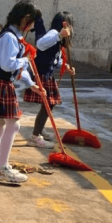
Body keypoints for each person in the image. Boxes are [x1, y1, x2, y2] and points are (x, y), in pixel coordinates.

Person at [0, 0, 45, 184]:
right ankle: (2, 167)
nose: (32, 27)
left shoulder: (12, 36)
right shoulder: (9, 37)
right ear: (26, 18)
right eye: (32, 22)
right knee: (13, 125)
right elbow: (8, 65)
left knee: (0, 125)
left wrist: (31, 84)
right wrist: (26, 59)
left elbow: (15, 69)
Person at [23, 12, 75, 148]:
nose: (70, 28)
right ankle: (35, 137)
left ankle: (39, 131)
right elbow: (40, 44)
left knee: (48, 105)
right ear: (63, 23)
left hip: (47, 73)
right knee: (48, 104)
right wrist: (59, 35)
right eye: (69, 24)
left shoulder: (58, 39)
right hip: (41, 74)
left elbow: (55, 60)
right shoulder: (54, 33)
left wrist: (66, 66)